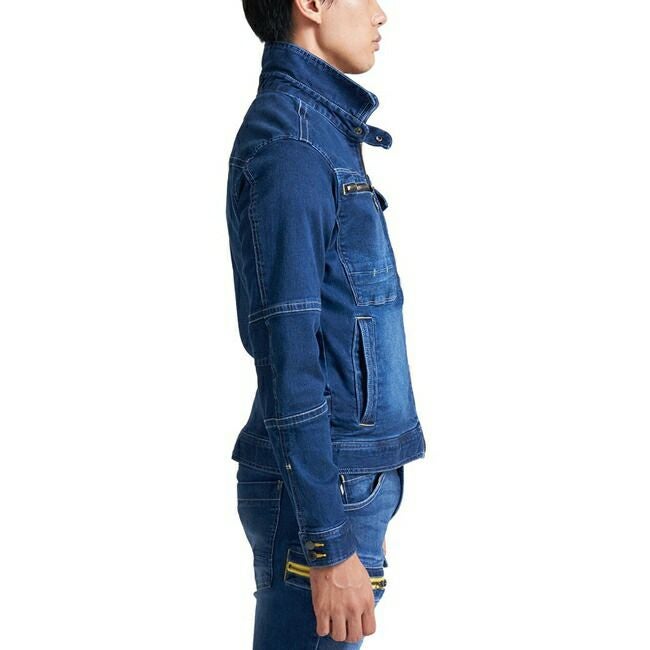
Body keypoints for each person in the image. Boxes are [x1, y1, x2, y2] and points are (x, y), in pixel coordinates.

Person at [226, 1, 427, 646]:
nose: (381, 14)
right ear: (311, 3)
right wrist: (328, 540)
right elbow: (289, 352)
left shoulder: (319, 135)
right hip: (325, 492)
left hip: (339, 481)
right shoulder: (292, 145)